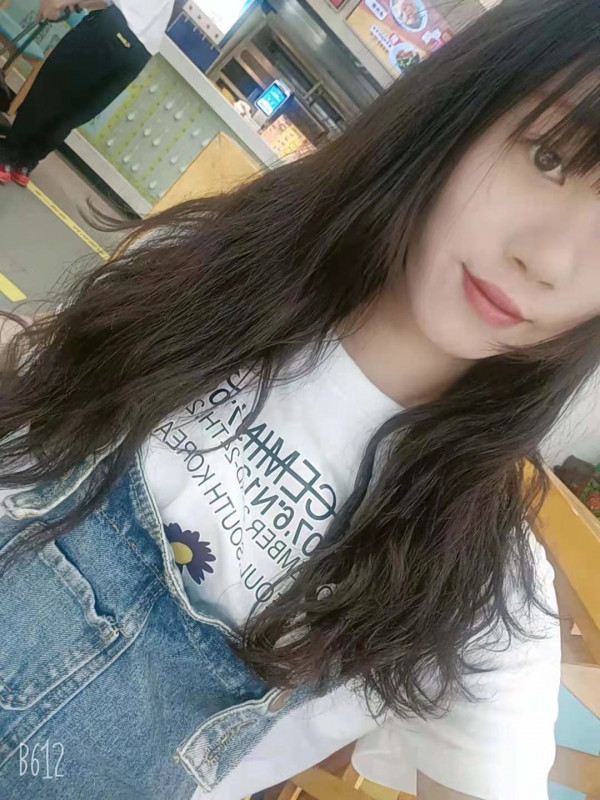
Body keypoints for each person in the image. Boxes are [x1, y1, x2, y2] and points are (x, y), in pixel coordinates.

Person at [0, 0, 599, 797]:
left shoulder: (475, 581)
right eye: (549, 157)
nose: (550, 261)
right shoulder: (209, 271)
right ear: (462, 109)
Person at [0, 0, 174, 187]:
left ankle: (7, 156)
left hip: (112, 29)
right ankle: (25, 163)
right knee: (77, 111)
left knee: (50, 88)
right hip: (139, 56)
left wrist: (63, 3)